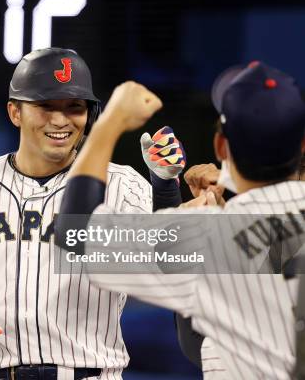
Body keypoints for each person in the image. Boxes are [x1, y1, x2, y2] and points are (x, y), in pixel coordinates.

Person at [0, 47, 185, 380]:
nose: (60, 120)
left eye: (74, 107)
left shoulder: (121, 184)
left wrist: (166, 188)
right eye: (45, 106)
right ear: (15, 112)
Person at [57, 61, 305, 379]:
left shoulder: (208, 237)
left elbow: (75, 235)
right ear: (300, 144)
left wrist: (109, 124)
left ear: (221, 146)